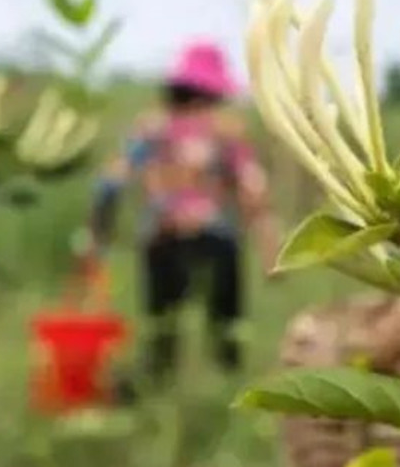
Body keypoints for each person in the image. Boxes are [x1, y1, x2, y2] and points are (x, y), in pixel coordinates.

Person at [83, 40, 275, 383]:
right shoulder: (227, 132)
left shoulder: (151, 129)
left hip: (162, 237)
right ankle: (225, 396)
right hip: (217, 239)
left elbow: (110, 183)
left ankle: (160, 394)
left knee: (162, 333)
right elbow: (254, 189)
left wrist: (97, 237)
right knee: (226, 331)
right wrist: (270, 251)